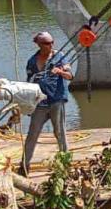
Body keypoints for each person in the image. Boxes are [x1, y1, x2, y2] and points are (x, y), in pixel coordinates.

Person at [21, 31, 73, 175]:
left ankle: (65, 164)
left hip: (56, 102)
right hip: (40, 104)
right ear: (38, 44)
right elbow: (29, 82)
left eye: (52, 42)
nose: (50, 45)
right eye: (46, 43)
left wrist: (60, 72)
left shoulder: (60, 57)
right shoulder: (32, 61)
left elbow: (70, 75)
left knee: (60, 133)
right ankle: (24, 165)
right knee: (32, 134)